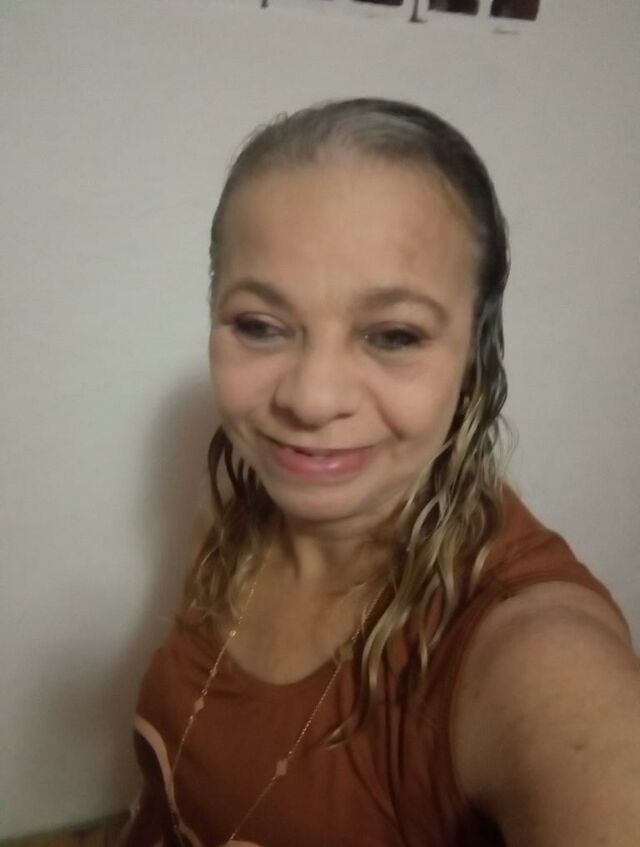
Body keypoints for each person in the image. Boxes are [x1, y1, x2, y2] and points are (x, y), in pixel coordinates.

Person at [119, 98, 640, 847]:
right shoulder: (231, 514)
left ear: (474, 358)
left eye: (393, 335)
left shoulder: (528, 653)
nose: (310, 399)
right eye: (260, 325)